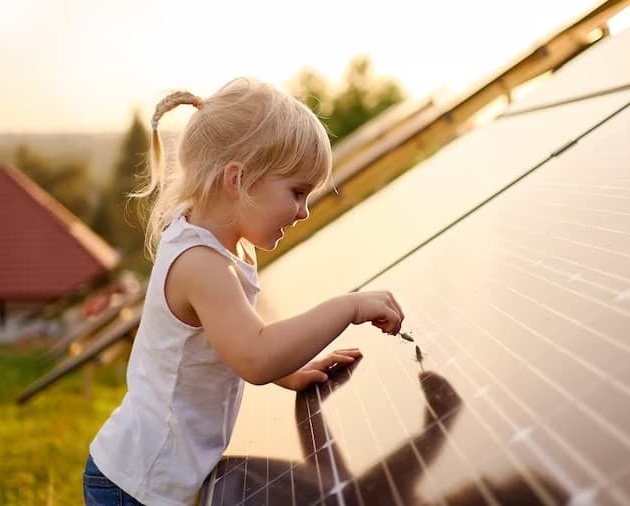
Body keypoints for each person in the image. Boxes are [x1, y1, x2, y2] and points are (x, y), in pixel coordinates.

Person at [84, 77, 405, 506]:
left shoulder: (226, 246)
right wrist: (348, 307)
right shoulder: (200, 264)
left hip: (152, 479)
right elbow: (254, 356)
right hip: (136, 485)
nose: (304, 211)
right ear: (237, 179)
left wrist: (291, 371)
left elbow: (233, 339)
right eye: (297, 192)